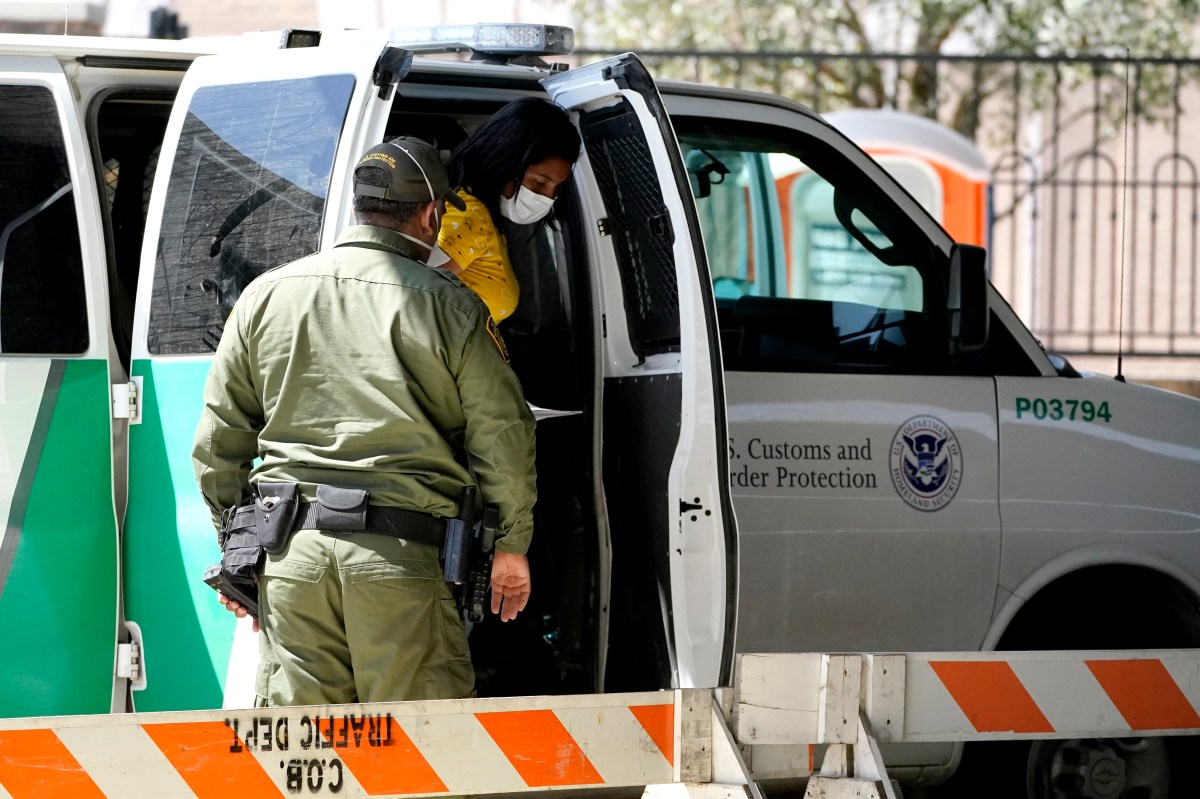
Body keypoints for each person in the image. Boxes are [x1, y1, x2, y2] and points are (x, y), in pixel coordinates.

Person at [192, 137, 538, 707]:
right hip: (400, 560)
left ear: (359, 206)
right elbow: (503, 435)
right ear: (430, 214)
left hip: (291, 561)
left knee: (307, 762)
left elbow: (215, 446)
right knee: (418, 759)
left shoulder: (265, 296)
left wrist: (240, 556)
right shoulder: (451, 305)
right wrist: (511, 544)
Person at [438, 97, 582, 324]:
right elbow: (411, 298)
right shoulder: (470, 216)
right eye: (540, 182)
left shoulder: (483, 215)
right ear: (507, 159)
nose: (547, 198)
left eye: (556, 188)